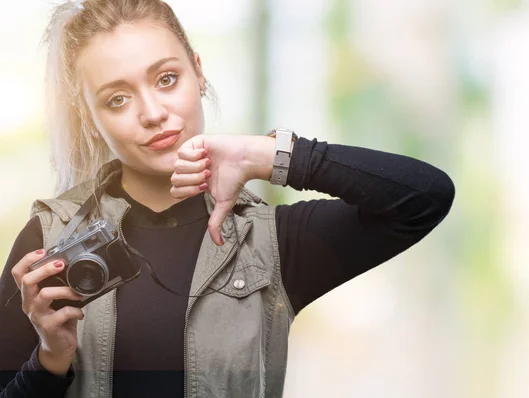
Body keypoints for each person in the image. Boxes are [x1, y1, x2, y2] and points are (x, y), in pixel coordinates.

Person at [0, 0, 455, 397]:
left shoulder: (272, 245)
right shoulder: (51, 237)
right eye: (117, 99)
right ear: (90, 115)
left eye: (166, 78)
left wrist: (264, 153)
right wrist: (49, 361)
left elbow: (424, 197)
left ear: (199, 72)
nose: (153, 113)